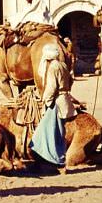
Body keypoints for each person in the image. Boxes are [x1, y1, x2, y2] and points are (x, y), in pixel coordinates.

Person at [30, 44, 76, 174]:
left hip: (55, 103)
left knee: (43, 134)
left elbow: (51, 87)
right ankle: (44, 163)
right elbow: (71, 81)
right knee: (56, 133)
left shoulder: (52, 67)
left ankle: (59, 164)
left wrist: (46, 100)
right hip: (64, 101)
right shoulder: (63, 65)